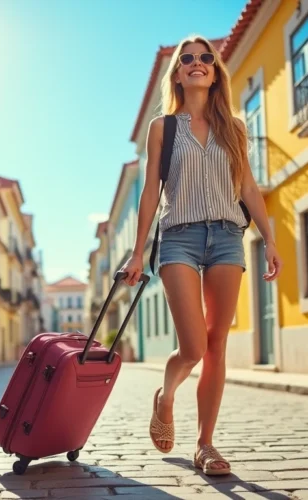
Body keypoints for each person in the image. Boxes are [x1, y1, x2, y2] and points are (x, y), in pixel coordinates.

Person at [120, 35, 283, 476]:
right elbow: (151, 191)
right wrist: (138, 253)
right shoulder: (163, 128)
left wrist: (269, 238)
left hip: (229, 236)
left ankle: (206, 444)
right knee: (192, 346)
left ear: (215, 70)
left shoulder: (235, 127)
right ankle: (166, 396)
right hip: (179, 238)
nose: (196, 63)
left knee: (216, 345)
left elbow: (248, 188)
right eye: (187, 59)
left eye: (204, 58)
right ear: (177, 73)